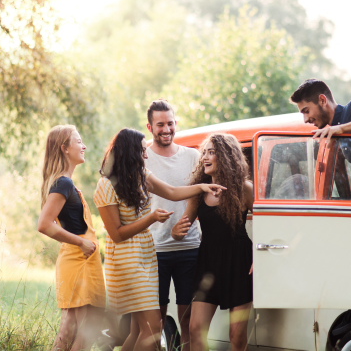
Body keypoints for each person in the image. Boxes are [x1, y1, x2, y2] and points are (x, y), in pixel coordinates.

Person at [94, 128, 225, 351]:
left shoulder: (141, 176)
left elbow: (173, 192)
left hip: (147, 254)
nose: (146, 154)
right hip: (127, 259)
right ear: (129, 152)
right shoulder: (105, 186)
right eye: (141, 150)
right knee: (154, 327)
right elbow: (116, 234)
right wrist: (152, 218)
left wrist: (201, 186)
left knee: (138, 330)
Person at [171, 133, 254, 351]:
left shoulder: (245, 189)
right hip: (208, 263)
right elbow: (182, 228)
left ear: (226, 156)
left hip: (239, 262)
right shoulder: (198, 192)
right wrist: (175, 232)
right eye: (203, 153)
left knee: (236, 335)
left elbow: (270, 223)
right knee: (196, 328)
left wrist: (261, 255)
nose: (204, 158)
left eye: (211, 152)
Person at [37, 125, 106, 351]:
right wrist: (81, 242)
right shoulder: (63, 183)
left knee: (75, 326)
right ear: (64, 148)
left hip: (79, 260)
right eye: (78, 141)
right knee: (81, 327)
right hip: (78, 260)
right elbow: (45, 225)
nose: (83, 145)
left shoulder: (65, 182)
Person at [144, 99, 201, 350]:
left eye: (170, 123)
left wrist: (183, 225)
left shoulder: (192, 156)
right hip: (154, 249)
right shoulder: (141, 158)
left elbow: (197, 194)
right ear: (150, 127)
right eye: (160, 125)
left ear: (175, 123)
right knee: (154, 320)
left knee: (188, 318)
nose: (166, 129)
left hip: (190, 248)